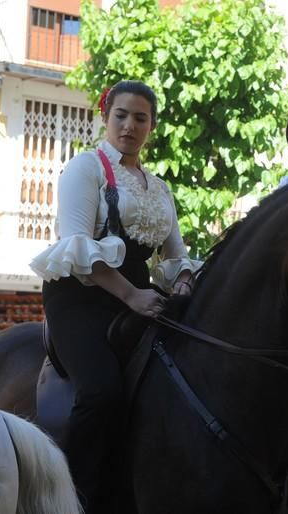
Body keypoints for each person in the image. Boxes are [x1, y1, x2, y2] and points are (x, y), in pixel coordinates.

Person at [30, 80, 199, 513]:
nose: (129, 125)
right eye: (121, 115)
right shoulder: (85, 168)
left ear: (152, 126)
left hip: (138, 296)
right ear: (106, 117)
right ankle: (74, 499)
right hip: (80, 297)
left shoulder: (159, 188)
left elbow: (177, 256)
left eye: (140, 118)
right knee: (102, 391)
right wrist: (134, 297)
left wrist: (181, 284)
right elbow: (78, 247)